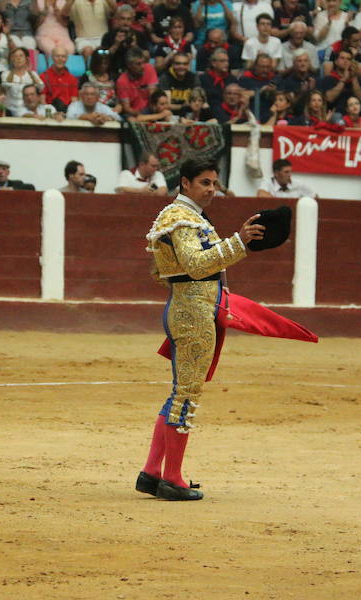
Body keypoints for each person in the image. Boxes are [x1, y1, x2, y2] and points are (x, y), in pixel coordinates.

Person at [137, 156, 265, 501]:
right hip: (192, 310)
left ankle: (152, 472)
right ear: (185, 183)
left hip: (191, 305)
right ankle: (172, 478)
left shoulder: (186, 216)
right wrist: (238, 242)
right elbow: (195, 265)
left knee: (180, 391)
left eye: (214, 183)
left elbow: (166, 269)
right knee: (187, 394)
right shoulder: (181, 217)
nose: (212, 189)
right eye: (204, 183)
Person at [317, 47, 361, 115]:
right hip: (336, 114)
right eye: (342, 58)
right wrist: (343, 79)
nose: (345, 61)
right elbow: (329, 98)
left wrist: (353, 78)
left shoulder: (357, 79)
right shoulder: (328, 79)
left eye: (348, 59)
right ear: (336, 62)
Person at [116, 46, 158, 118]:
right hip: (133, 113)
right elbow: (127, 108)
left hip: (150, 109)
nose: (142, 66)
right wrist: (141, 115)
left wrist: (150, 114)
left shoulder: (149, 68)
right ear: (129, 65)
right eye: (138, 64)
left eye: (143, 62)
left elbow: (153, 96)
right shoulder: (121, 81)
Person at [1, 45, 43, 115]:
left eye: (21, 56)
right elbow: (5, 86)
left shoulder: (33, 74)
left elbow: (41, 87)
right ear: (12, 59)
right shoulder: (6, 74)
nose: (18, 58)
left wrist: (30, 71)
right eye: (15, 56)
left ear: (26, 59)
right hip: (11, 110)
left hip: (29, 109)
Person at [237, 52, 277, 123]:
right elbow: (240, 95)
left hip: (269, 118)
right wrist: (260, 91)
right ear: (255, 66)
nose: (265, 70)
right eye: (262, 67)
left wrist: (274, 92)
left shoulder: (274, 79)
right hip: (249, 118)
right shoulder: (245, 79)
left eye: (268, 67)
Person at [40, 46, 78, 111]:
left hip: (67, 111)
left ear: (67, 58)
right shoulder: (43, 76)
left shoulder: (72, 79)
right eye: (57, 56)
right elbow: (42, 100)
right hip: (50, 111)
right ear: (52, 57)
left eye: (63, 56)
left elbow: (74, 100)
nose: (60, 59)